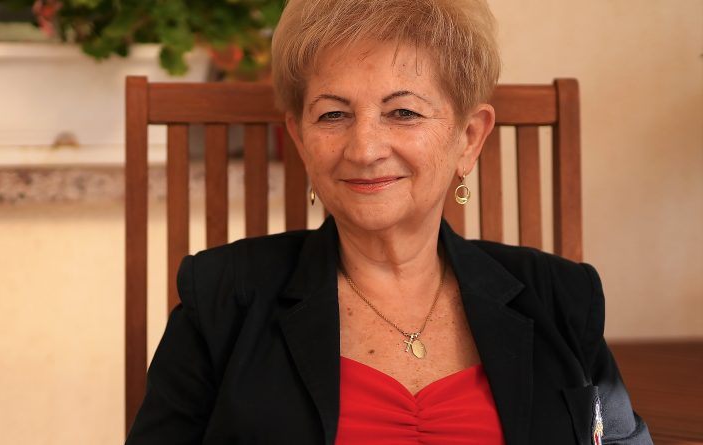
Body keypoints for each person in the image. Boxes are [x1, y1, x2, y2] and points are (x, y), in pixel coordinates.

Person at [125, 0, 652, 443]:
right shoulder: (220, 296)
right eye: (333, 114)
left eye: (403, 112)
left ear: (469, 137)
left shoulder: (563, 297)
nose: (365, 149)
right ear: (301, 138)